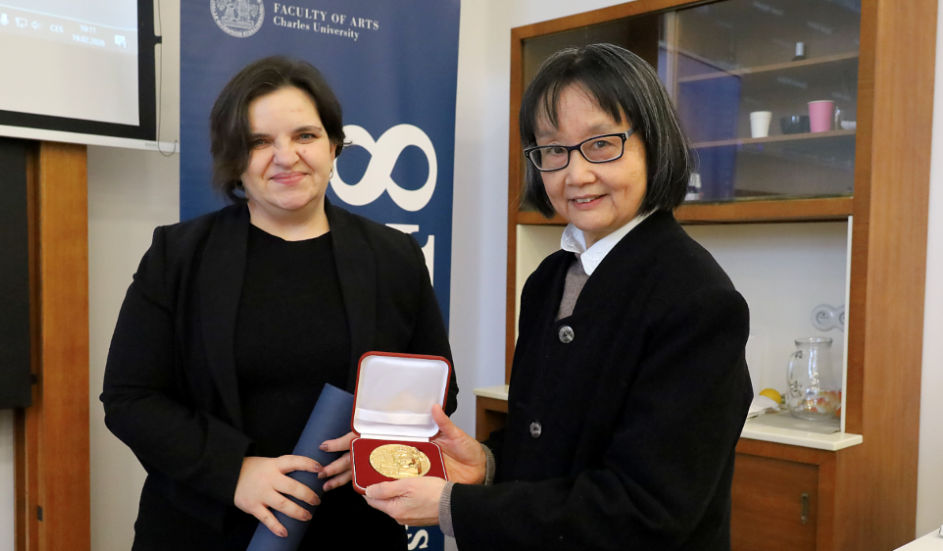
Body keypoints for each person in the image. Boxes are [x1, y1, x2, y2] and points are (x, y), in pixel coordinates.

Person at [364, 43, 752, 550]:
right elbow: (551, 438)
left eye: (601, 144)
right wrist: (489, 464)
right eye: (553, 150)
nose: (576, 174)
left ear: (652, 143)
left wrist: (452, 506)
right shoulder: (550, 278)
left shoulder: (698, 300)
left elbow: (647, 509)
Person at [101, 55, 457, 551]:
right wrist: (235, 472)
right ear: (234, 158)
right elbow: (130, 399)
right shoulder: (177, 256)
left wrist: (377, 448)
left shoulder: (393, 256)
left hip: (351, 526)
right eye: (259, 142)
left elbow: (436, 391)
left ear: (334, 146)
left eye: (305, 136)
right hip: (203, 525)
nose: (286, 157)